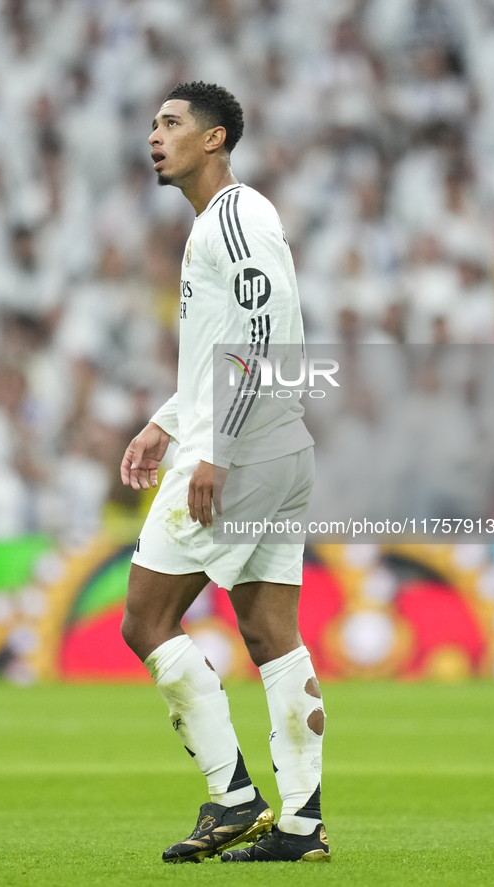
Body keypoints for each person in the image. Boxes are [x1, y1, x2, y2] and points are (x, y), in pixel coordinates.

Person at [120, 82, 330, 864]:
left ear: (213, 140)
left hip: (239, 452)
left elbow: (267, 331)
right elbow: (225, 341)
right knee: (271, 632)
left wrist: (214, 449)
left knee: (144, 617)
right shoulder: (220, 223)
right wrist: (167, 422)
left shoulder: (236, 216)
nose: (155, 135)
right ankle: (301, 824)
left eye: (171, 123)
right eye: (153, 123)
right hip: (275, 447)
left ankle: (232, 794)